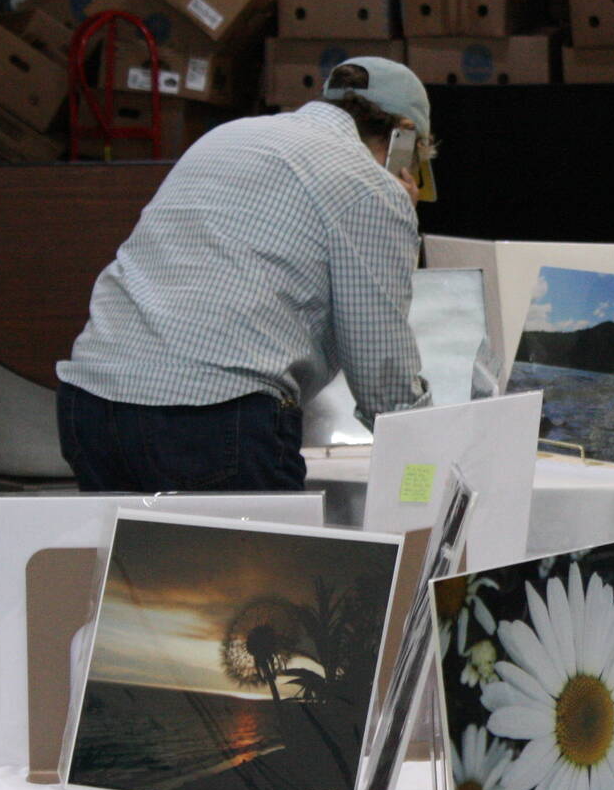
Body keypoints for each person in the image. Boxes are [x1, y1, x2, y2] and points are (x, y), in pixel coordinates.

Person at [56, 57, 436, 492]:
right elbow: (380, 366)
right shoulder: (371, 185)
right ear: (404, 134)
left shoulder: (229, 135)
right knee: (262, 563)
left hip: (91, 399)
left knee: (140, 560)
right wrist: (426, 464)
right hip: (212, 414)